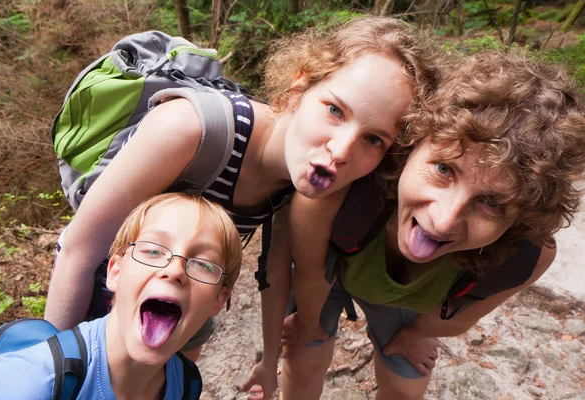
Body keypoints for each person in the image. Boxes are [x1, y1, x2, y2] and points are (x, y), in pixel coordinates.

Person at [44, 15, 444, 362]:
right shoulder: (191, 129)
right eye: (334, 110)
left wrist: (268, 365)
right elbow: (78, 252)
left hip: (175, 304)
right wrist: (55, 372)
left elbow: (274, 272)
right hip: (103, 280)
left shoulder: (309, 183)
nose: (341, 151)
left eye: (374, 139)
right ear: (298, 89)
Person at [243, 51, 585, 400]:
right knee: (302, 354)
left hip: (407, 296)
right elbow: (311, 274)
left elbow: (459, 319)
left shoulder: (525, 255)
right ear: (413, 143)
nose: (443, 220)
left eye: (492, 203)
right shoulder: (343, 188)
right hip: (330, 263)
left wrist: (417, 333)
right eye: (444, 169)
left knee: (406, 386)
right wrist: (309, 322)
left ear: (521, 220)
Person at [0, 193, 242, 399]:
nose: (174, 270)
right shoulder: (30, 382)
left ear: (218, 300)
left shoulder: (186, 384)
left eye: (203, 264)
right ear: (115, 272)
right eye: (153, 251)